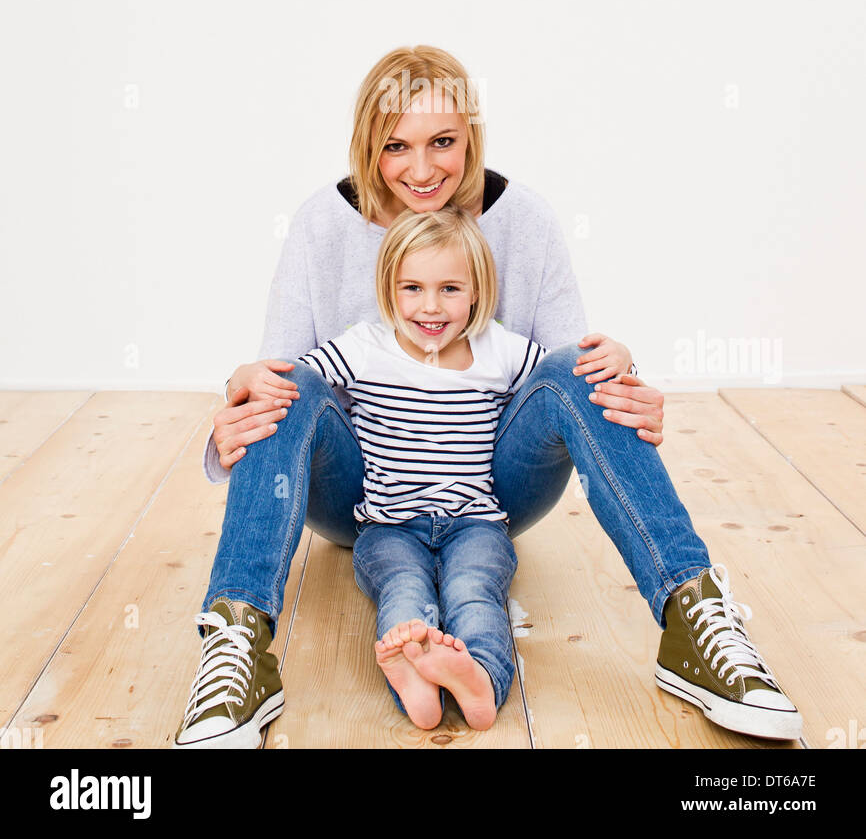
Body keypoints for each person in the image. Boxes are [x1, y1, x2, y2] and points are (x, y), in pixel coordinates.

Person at [173, 44, 801, 748]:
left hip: (488, 491)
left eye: (442, 142)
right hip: (361, 492)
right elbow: (278, 378)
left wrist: (617, 382)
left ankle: (694, 617)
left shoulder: (525, 220)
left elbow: (565, 372)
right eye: (395, 147)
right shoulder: (321, 224)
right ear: (365, 146)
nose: (421, 170)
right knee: (286, 383)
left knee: (579, 371)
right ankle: (236, 642)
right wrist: (239, 388)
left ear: (471, 136)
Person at [305, 204, 544, 730]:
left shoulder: (499, 350)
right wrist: (246, 377)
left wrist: (623, 362)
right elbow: (299, 386)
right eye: (412, 288)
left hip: (474, 523)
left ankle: (481, 679)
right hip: (389, 527)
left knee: (473, 588)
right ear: (388, 290)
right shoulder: (364, 347)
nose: (430, 307)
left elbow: (561, 385)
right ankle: (416, 679)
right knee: (404, 591)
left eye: (450, 289)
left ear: (478, 291)